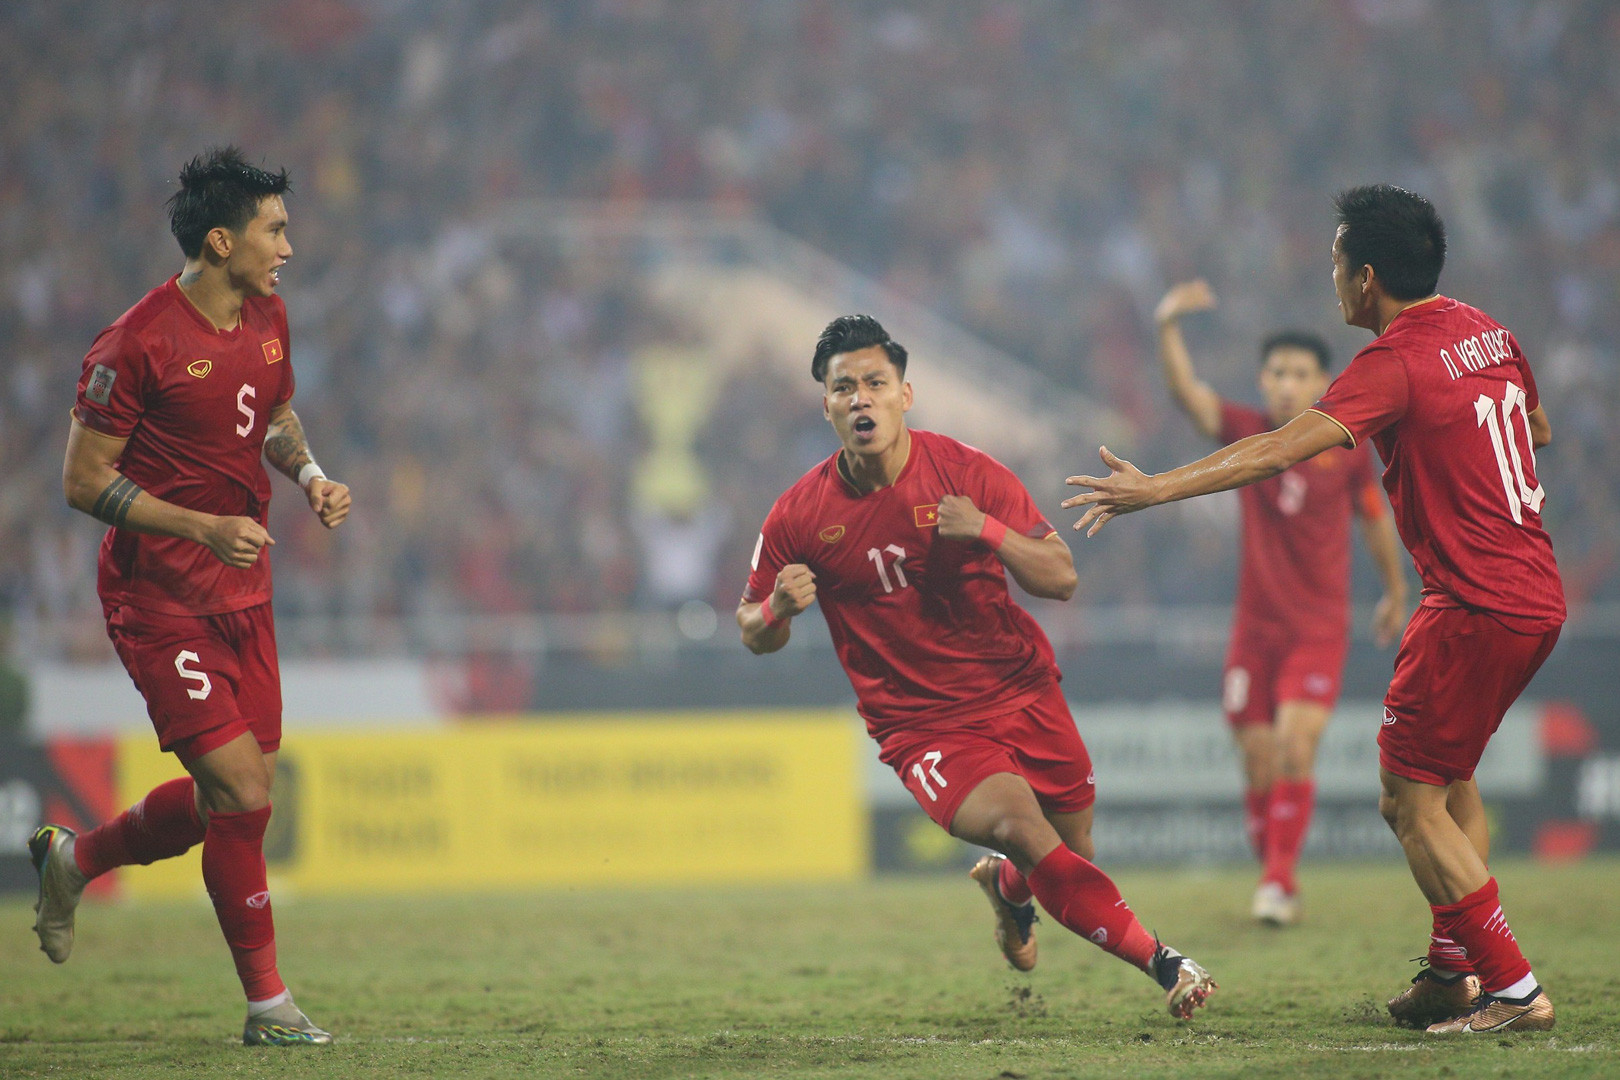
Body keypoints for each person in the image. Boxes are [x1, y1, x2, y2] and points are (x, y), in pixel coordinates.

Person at [1065, 185, 1563, 1034]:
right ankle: (1450, 977)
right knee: (1450, 782)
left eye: (1337, 262)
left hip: (1472, 602)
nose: (1332, 278)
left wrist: (1156, 489)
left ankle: (1514, 991)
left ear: (1366, 277)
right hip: (1535, 594)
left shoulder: (1392, 363)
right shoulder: (1491, 332)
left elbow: (1276, 449)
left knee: (1408, 804)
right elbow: (1537, 429)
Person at [738, 314, 1216, 1019]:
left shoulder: (965, 474)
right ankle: (1166, 962)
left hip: (1020, 688)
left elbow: (1060, 577)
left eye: (875, 383)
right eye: (845, 388)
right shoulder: (799, 516)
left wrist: (988, 532)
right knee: (1025, 830)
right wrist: (776, 608)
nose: (861, 398)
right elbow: (752, 629)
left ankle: (1011, 889)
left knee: (1070, 845)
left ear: (907, 394)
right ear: (827, 405)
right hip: (922, 724)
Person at [30, 147, 351, 1047]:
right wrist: (199, 527)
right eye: (274, 229)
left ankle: (75, 859)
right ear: (221, 240)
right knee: (243, 789)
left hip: (244, 587)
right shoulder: (135, 343)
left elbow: (274, 415)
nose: (288, 245)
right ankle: (269, 1008)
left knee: (238, 805)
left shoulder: (268, 315)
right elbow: (84, 481)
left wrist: (313, 478)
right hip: (158, 594)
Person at [1153, 282, 1409, 926]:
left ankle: (1276, 880)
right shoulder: (1247, 430)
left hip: (1318, 629)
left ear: (1323, 381)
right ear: (1263, 381)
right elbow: (1188, 395)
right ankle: (1276, 868)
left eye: (1300, 373)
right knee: (1260, 763)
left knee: (1296, 750)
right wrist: (1166, 329)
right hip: (1254, 632)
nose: (1287, 384)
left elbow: (1374, 519)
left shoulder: (1343, 445)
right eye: (1277, 373)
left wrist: (1395, 589)